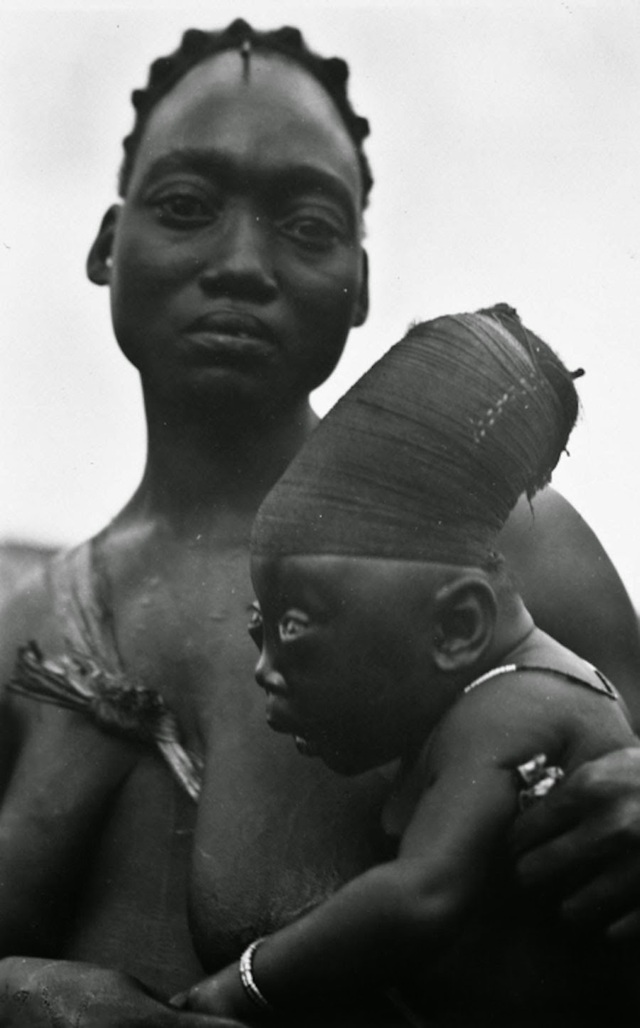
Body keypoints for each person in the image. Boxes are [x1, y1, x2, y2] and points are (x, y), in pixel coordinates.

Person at [1, 18, 640, 1028]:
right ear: (106, 243)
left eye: (306, 225)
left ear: (361, 285)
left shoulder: (492, 541)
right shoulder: (24, 626)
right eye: (186, 206)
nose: (243, 263)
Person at [171, 306, 640, 1027]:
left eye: (295, 633)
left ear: (457, 627)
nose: (265, 671)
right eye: (260, 634)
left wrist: (238, 989)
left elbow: (418, 894)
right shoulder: (466, 706)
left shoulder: (518, 708)